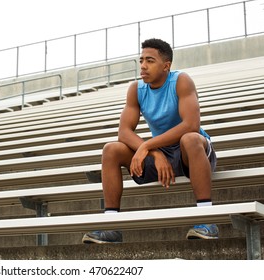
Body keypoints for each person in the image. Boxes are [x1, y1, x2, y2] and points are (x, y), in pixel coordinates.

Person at [82, 38, 218, 244]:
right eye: (141, 60)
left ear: (166, 65)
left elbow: (190, 124)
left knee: (190, 138)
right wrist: (154, 152)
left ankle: (207, 220)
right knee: (111, 149)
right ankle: (111, 225)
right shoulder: (136, 89)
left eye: (150, 61)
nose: (143, 66)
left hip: (191, 152)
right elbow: (124, 132)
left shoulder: (181, 81)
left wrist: (147, 145)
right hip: (161, 152)